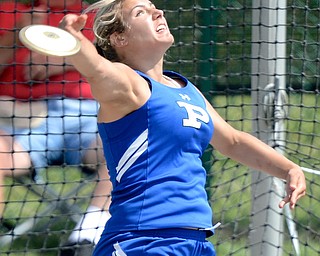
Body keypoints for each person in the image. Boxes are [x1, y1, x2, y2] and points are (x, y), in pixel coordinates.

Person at [57, 0, 307, 255]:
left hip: (195, 241)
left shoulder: (185, 88)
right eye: (141, 12)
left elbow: (233, 141)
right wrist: (75, 42)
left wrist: (288, 169)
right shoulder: (128, 85)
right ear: (119, 38)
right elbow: (97, 70)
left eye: (154, 7)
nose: (158, 12)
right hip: (142, 241)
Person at [0, 0, 112, 254]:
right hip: (24, 119)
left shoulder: (99, 12)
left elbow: (126, 66)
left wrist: (66, 60)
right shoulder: (9, 9)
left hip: (90, 113)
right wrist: (16, 37)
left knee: (128, 145)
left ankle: (85, 239)